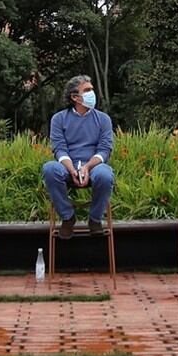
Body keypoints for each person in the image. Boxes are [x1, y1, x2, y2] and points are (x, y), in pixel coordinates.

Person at [42, 75, 114, 239]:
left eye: (92, 90)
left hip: (94, 166)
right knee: (49, 169)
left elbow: (105, 149)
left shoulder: (103, 119)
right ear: (75, 97)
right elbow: (59, 149)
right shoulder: (59, 119)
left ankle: (95, 219)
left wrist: (87, 167)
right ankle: (68, 217)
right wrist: (72, 169)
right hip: (67, 166)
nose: (92, 94)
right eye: (87, 90)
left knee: (105, 174)